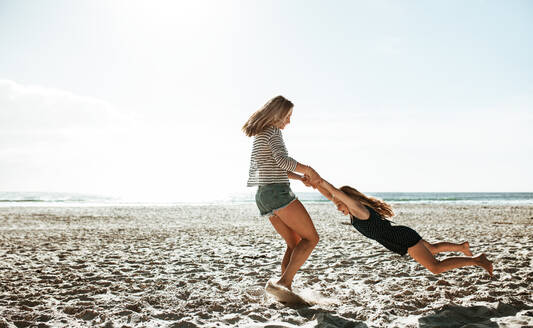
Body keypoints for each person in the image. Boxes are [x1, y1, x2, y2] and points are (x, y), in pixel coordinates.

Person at [305, 178, 493, 276]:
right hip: (400, 235)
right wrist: (312, 184)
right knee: (433, 249)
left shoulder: (358, 209)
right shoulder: (353, 212)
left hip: (402, 239)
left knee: (435, 267)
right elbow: (330, 194)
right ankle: (462, 247)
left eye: (339, 204)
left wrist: (319, 180)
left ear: (348, 200)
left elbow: (333, 191)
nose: (337, 208)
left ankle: (477, 260)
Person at [242, 95, 323, 294]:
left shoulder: (261, 134)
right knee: (311, 239)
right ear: (277, 114)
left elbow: (275, 166)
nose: (289, 121)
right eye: (287, 116)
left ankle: (285, 290)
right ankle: (284, 283)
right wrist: (309, 170)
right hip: (278, 193)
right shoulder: (273, 132)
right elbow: (283, 160)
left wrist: (298, 177)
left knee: (293, 243)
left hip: (263, 196)